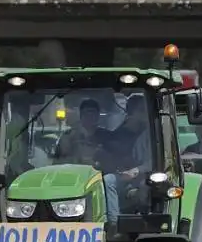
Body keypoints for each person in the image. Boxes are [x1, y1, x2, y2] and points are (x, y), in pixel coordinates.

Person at [103, 94, 152, 227]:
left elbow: (154, 161)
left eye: (145, 110)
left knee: (146, 186)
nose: (144, 114)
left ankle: (148, 223)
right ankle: (114, 224)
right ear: (131, 113)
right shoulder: (119, 134)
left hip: (148, 177)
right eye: (140, 111)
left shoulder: (153, 133)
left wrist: (136, 171)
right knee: (108, 180)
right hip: (125, 176)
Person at [57, 99, 111, 165]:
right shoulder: (68, 137)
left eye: (93, 113)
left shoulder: (108, 137)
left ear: (98, 116)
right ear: (81, 115)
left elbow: (115, 161)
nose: (90, 117)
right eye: (87, 113)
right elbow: (59, 162)